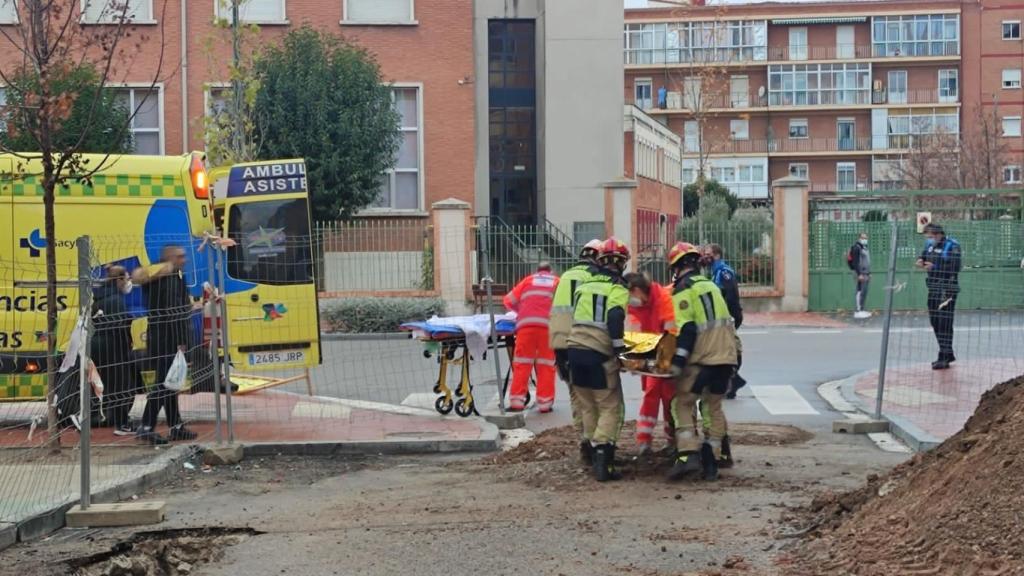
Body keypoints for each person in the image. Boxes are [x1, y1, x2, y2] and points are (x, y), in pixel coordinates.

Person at [666, 241, 738, 482]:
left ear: (676, 268)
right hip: (726, 357)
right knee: (713, 406)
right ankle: (712, 455)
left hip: (702, 360)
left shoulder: (683, 290)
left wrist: (677, 361)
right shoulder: (712, 285)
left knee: (682, 403)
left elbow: (686, 329)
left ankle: (687, 454)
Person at [567, 238, 631, 482]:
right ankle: (605, 459)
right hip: (598, 352)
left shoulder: (584, 285)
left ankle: (593, 453)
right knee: (609, 405)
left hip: (575, 350)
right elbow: (615, 317)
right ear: (622, 263)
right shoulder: (617, 287)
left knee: (587, 404)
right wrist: (620, 352)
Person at [133, 245, 199, 444]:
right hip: (167, 337)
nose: (184, 259)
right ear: (169, 258)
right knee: (164, 383)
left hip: (162, 334)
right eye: (180, 256)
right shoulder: (167, 278)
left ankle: (175, 425)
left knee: (171, 383)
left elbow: (180, 307)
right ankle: (146, 426)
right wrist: (182, 341)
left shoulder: (172, 275)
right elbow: (174, 311)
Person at [549, 239, 604, 463]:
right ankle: (594, 444)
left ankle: (583, 439)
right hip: (582, 341)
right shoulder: (594, 278)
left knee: (575, 393)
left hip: (560, 343)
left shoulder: (565, 276)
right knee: (593, 396)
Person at [623, 272, 677, 456]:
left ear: (637, 290)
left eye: (629, 294)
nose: (628, 300)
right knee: (652, 394)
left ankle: (673, 440)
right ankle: (644, 441)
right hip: (655, 357)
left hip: (669, 355)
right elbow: (634, 329)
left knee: (670, 398)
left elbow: (671, 333)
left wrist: (662, 362)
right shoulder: (637, 306)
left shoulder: (663, 299)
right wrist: (634, 360)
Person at [91, 265, 142, 436]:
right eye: (126, 279)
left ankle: (111, 417)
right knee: (123, 386)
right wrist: (128, 345)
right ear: (119, 279)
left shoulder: (99, 298)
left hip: (99, 346)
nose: (128, 283)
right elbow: (120, 326)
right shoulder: (116, 300)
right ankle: (122, 423)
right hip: (115, 347)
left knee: (109, 386)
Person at [503, 262, 559, 413]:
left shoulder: (528, 280)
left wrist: (522, 310)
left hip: (526, 327)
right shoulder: (556, 282)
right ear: (550, 271)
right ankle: (545, 404)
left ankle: (516, 402)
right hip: (548, 328)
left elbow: (508, 300)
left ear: (538, 271)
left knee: (521, 363)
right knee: (546, 365)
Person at [916, 223, 961, 370]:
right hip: (933, 287)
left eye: (931, 236)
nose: (929, 239)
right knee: (935, 321)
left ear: (938, 234)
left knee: (944, 323)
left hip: (947, 289)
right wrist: (920, 261)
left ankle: (944, 356)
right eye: (927, 237)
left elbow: (955, 267)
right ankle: (946, 353)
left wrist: (935, 267)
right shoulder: (929, 245)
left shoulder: (952, 245)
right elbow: (923, 255)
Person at [704, 243, 746, 400]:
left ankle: (732, 381)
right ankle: (733, 381)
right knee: (725, 351)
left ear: (716, 255)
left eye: (708, 253)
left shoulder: (724, 272)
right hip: (719, 319)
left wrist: (734, 317)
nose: (705, 256)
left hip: (726, 318)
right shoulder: (714, 272)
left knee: (733, 350)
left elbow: (731, 295)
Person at [848, 232, 872, 320]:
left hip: (865, 272)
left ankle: (861, 309)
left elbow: (866, 261)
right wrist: (859, 274)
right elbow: (855, 262)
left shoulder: (864, 248)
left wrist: (869, 273)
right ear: (859, 238)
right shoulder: (856, 248)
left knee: (864, 291)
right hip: (860, 273)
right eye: (863, 238)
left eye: (866, 238)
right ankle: (858, 311)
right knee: (860, 291)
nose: (865, 240)